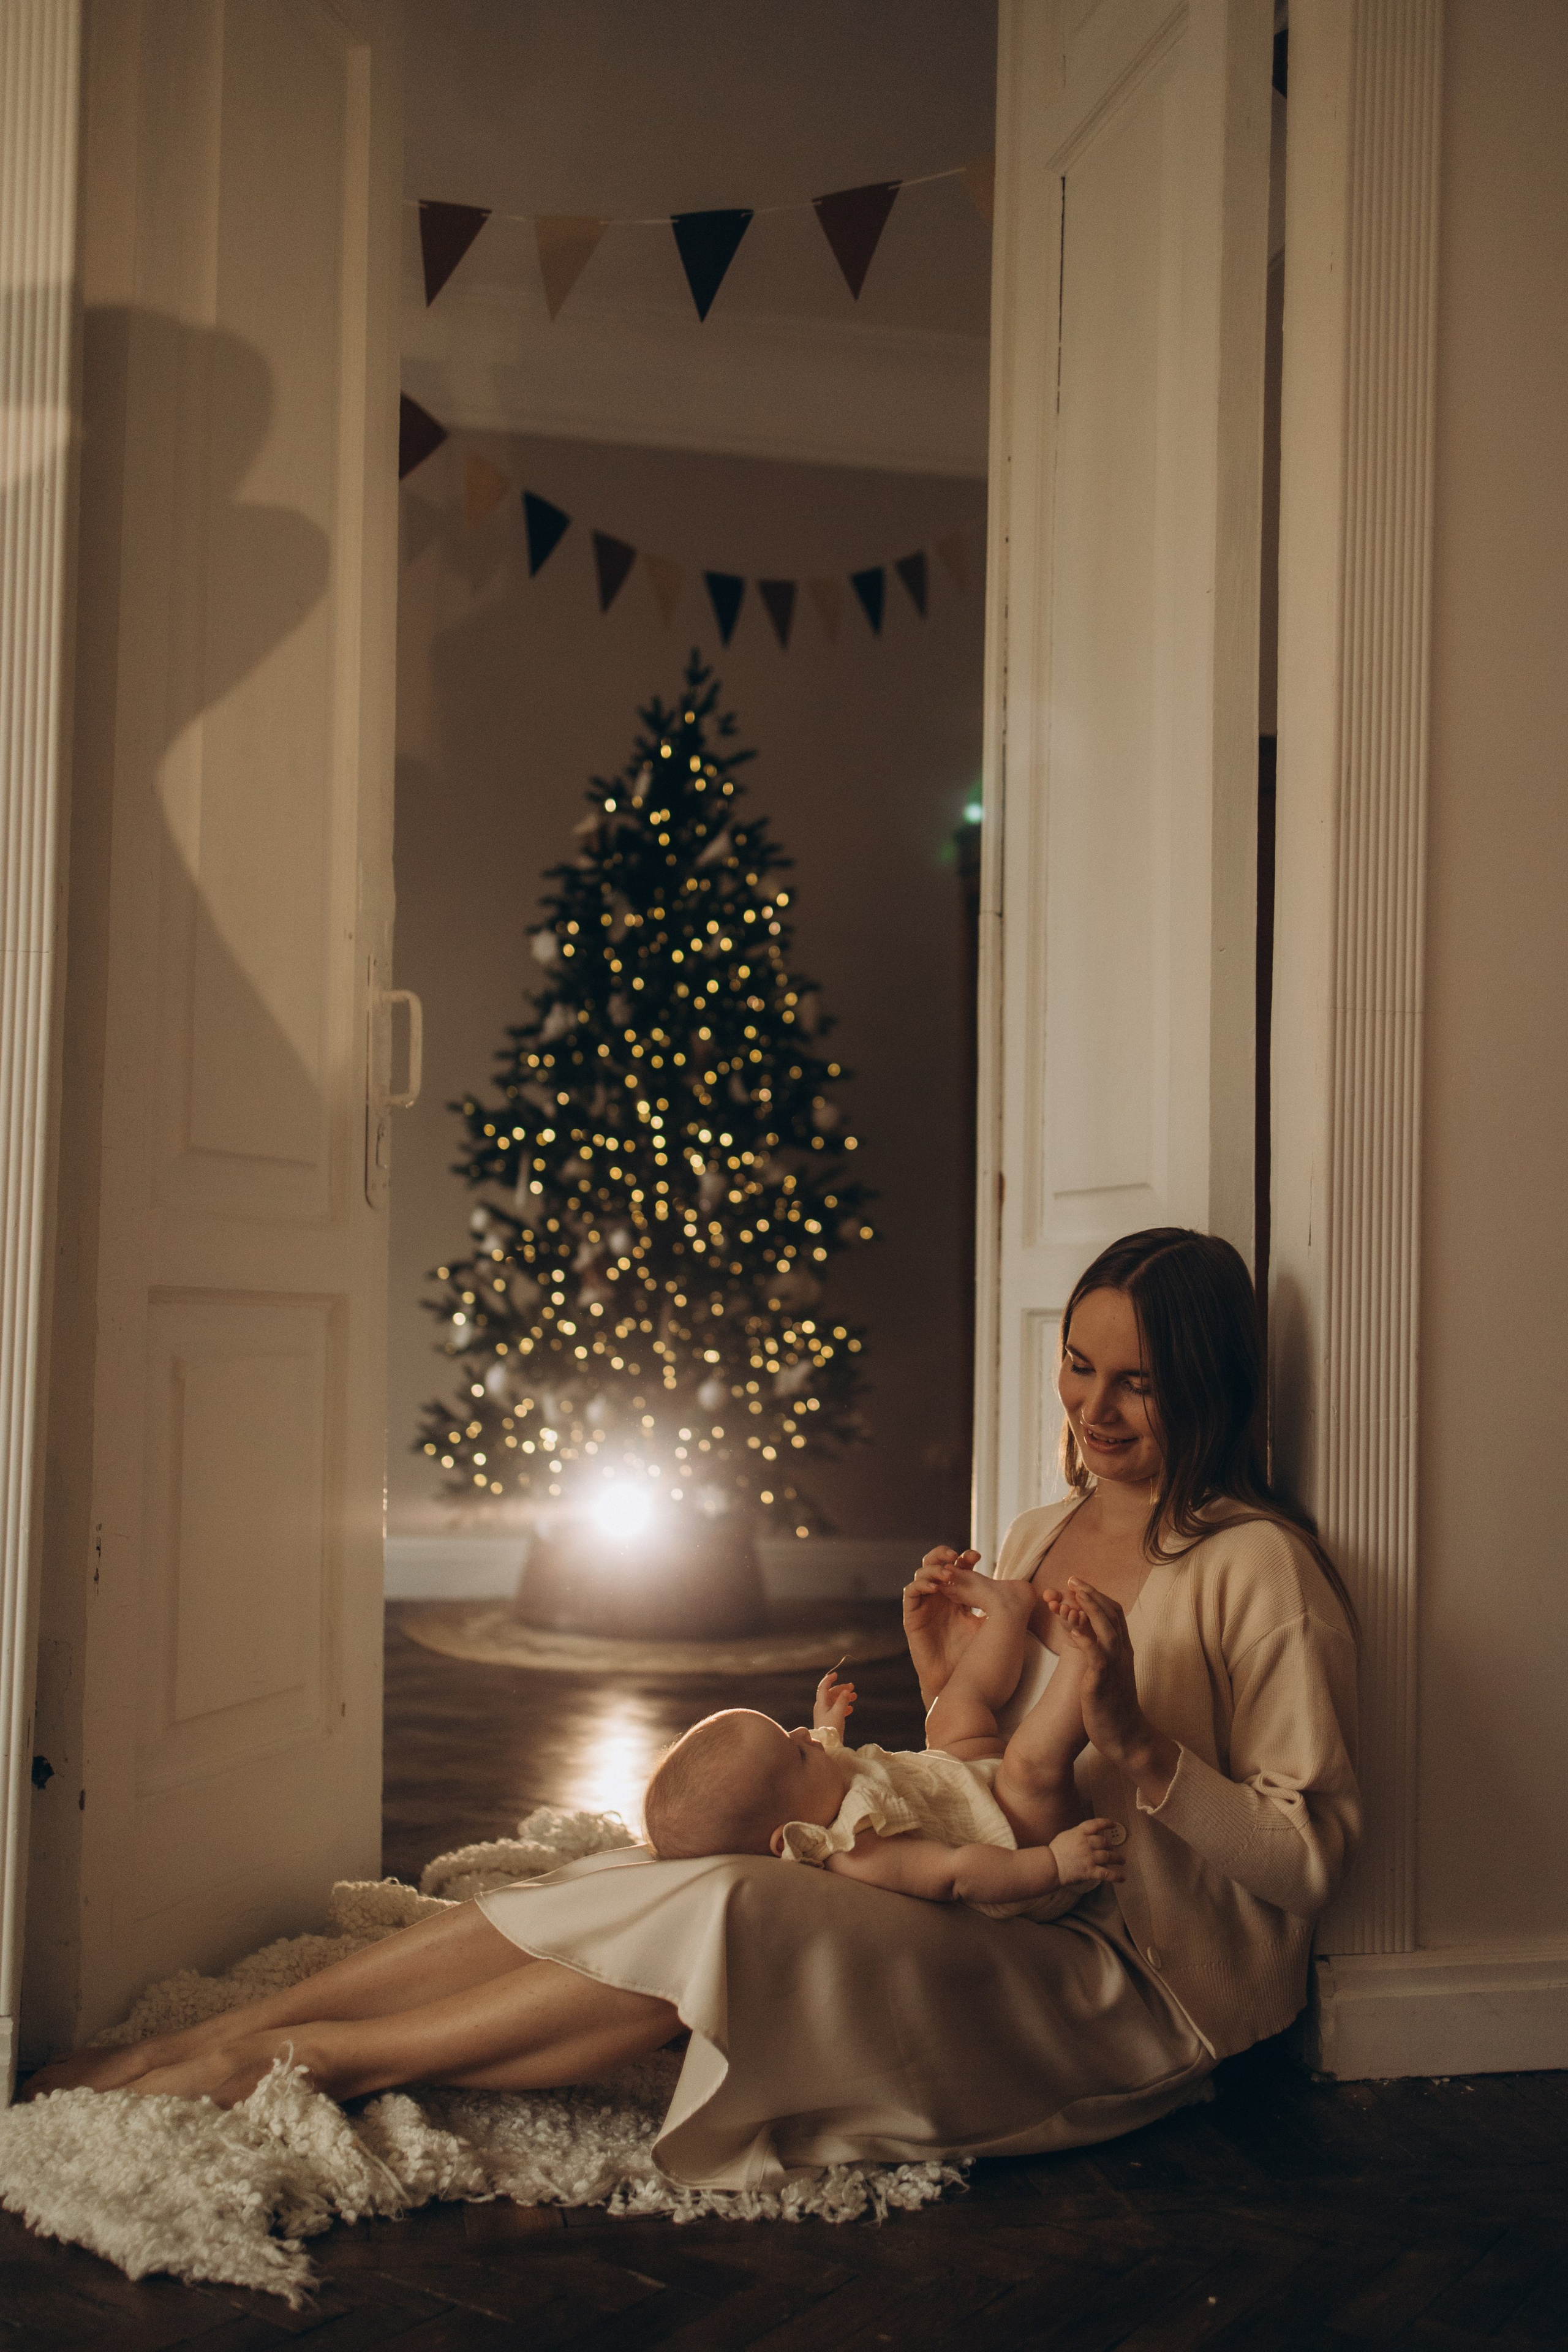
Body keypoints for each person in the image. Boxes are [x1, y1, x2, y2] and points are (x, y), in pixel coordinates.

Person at [27, 1228, 1360, 2199]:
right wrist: (933, 1663)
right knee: (664, 1857)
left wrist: (1138, 1748)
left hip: (1114, 1982)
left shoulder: (1257, 1569)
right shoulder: (1040, 1524)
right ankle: (206, 2041)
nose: (1095, 1409)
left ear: (1208, 1384)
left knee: (736, 1908)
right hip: (981, 1887)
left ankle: (318, 2058)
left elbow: (1304, 1863)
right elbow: (967, 1763)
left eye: (1136, 1383)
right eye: (1079, 1370)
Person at [640, 1590, 1126, 1914]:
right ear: (795, 1838)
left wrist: (825, 1724)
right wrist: (1055, 1864)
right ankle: (1089, 1657)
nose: (804, 1737)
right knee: (1028, 1765)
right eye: (799, 1753)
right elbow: (957, 1874)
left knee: (950, 1714)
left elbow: (816, 1753)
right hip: (1015, 1846)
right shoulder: (859, 1853)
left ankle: (1009, 1610)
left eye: (792, 1733)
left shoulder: (810, 1791)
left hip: (962, 1782)